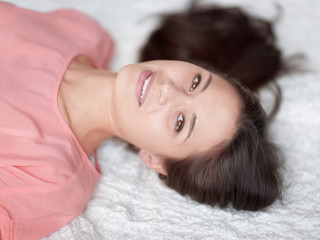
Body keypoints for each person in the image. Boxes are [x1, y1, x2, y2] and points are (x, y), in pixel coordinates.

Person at [0, 1, 285, 239]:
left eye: (180, 123)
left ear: (155, 161)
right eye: (196, 82)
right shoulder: (85, 33)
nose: (167, 90)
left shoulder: (50, 179)